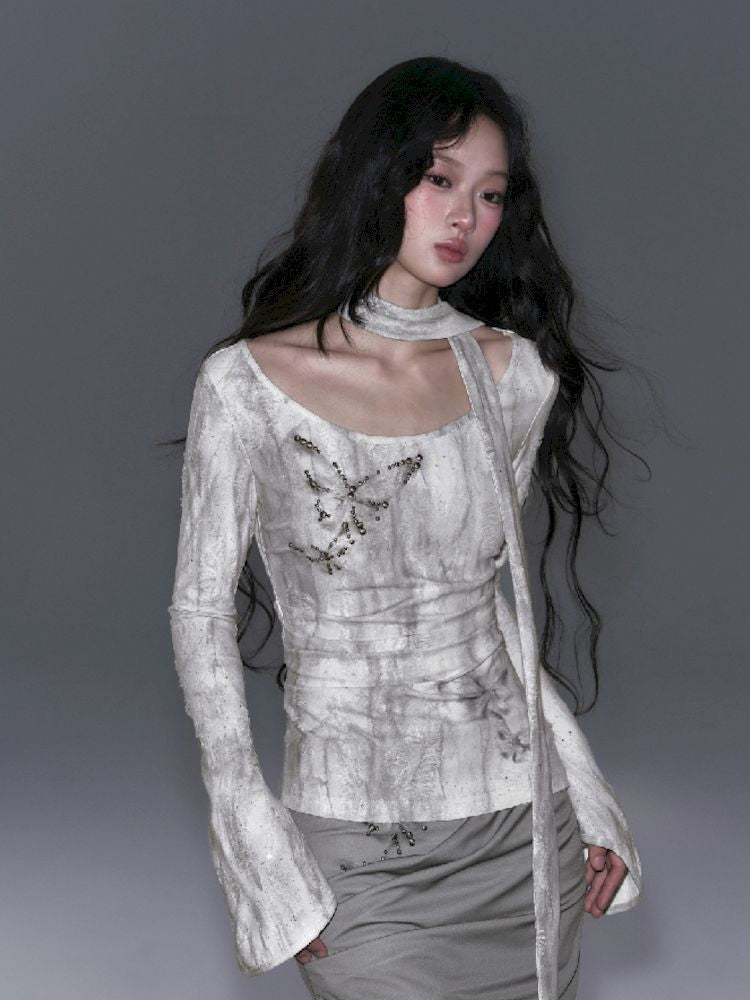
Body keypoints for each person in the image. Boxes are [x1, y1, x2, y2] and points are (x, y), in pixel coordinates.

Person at [167, 56, 643, 1000]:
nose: (465, 217)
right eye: (439, 179)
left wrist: (590, 798)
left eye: (490, 194)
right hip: (354, 845)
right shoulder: (246, 384)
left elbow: (500, 612)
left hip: (522, 831)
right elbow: (198, 614)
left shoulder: (512, 374)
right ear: (377, 179)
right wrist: (255, 848)